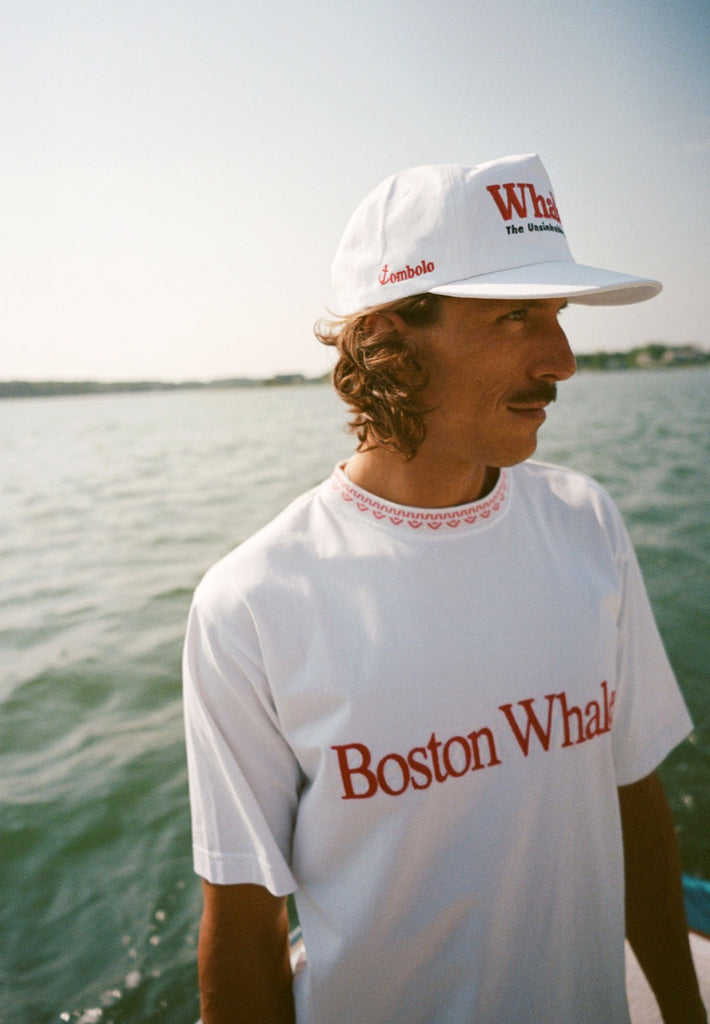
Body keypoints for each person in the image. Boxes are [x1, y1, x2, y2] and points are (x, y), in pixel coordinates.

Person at [183, 154, 706, 1023]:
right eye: (515, 316)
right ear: (388, 338)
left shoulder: (588, 523)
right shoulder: (253, 603)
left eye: (558, 314)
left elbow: (634, 804)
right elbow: (242, 931)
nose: (563, 359)